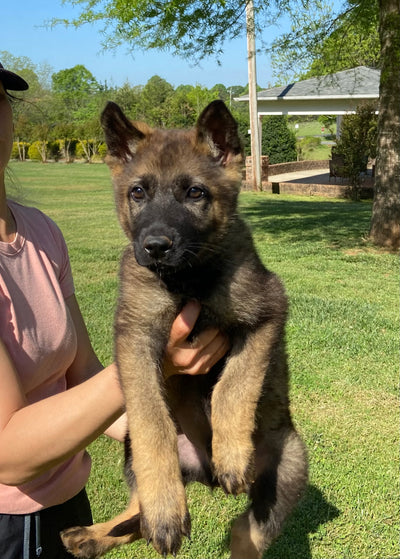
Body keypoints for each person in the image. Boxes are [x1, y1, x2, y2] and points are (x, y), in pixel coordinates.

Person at [0, 63, 228, 559]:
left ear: (9, 116)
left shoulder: (40, 234)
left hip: (66, 503)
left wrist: (183, 436)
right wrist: (153, 362)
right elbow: (8, 456)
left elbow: (83, 374)